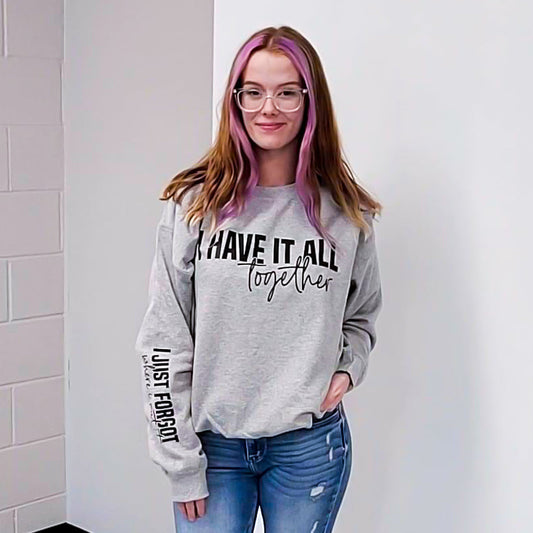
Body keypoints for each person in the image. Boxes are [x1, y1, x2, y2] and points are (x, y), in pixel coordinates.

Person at [135, 25, 383, 533]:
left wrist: (348, 368)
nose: (269, 108)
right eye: (253, 92)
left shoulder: (347, 214)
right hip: (212, 449)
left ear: (310, 101)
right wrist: (180, 463)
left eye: (287, 92)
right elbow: (163, 339)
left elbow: (360, 315)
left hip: (309, 447)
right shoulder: (195, 205)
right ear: (236, 100)